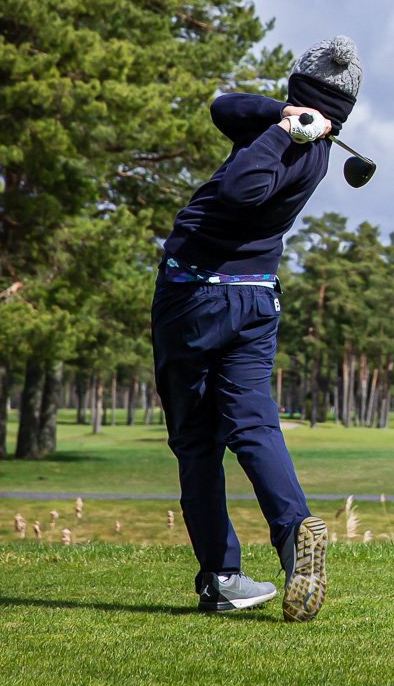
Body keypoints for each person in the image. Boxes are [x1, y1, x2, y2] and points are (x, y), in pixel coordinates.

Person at [152, 36, 362, 620]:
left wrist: (279, 131)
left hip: (194, 296)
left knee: (196, 443)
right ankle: (295, 533)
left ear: (300, 84)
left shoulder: (285, 148)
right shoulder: (298, 135)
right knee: (253, 421)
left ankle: (220, 578)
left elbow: (241, 190)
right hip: (255, 299)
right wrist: (283, 117)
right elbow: (224, 106)